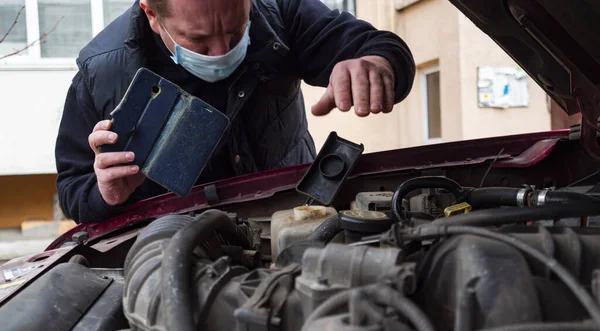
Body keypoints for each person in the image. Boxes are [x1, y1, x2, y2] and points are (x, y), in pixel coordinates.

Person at [54, 0, 415, 224]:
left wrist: (376, 65)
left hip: (297, 219)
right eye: (197, 39)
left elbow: (380, 46)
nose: (221, 51)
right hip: (174, 252)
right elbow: (73, 189)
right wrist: (106, 194)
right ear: (151, 14)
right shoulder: (102, 73)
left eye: (235, 29)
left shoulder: (279, 12)